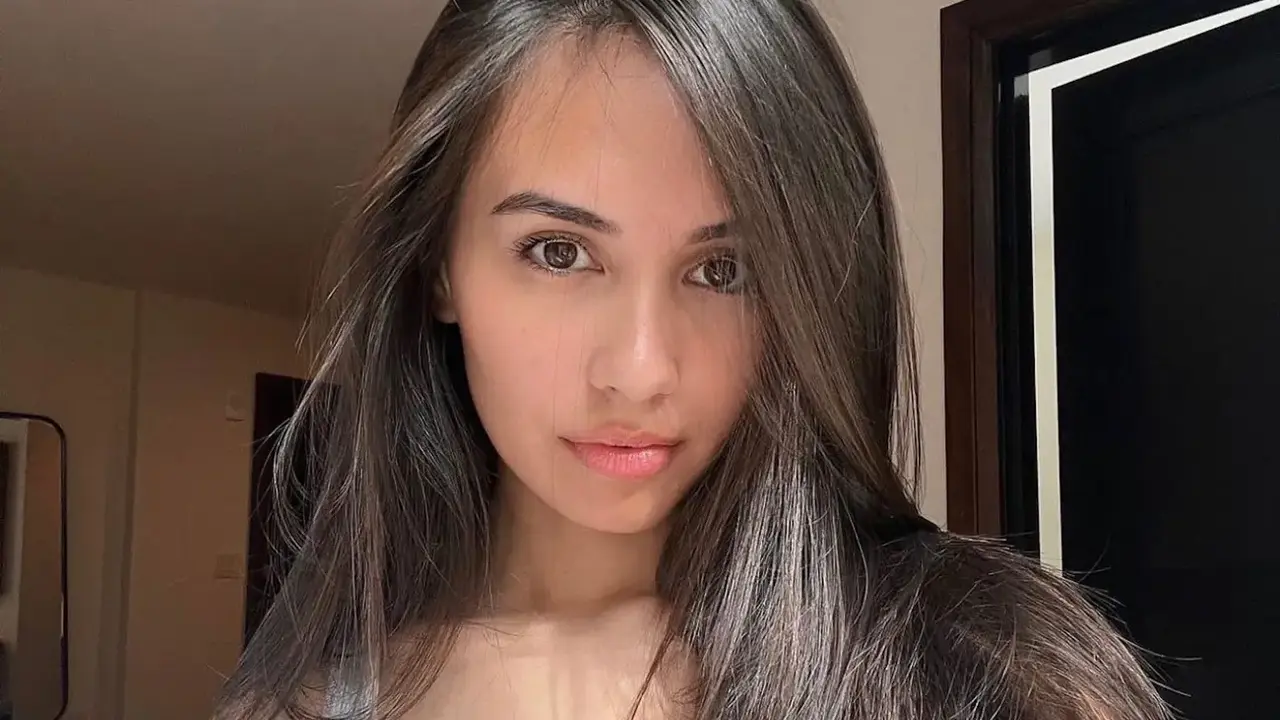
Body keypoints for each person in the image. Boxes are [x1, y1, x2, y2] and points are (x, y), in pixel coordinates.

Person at [217, 1, 1170, 718]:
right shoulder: (312, 703)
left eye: (724, 270)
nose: (641, 372)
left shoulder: (974, 667)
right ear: (439, 267)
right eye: (559, 252)